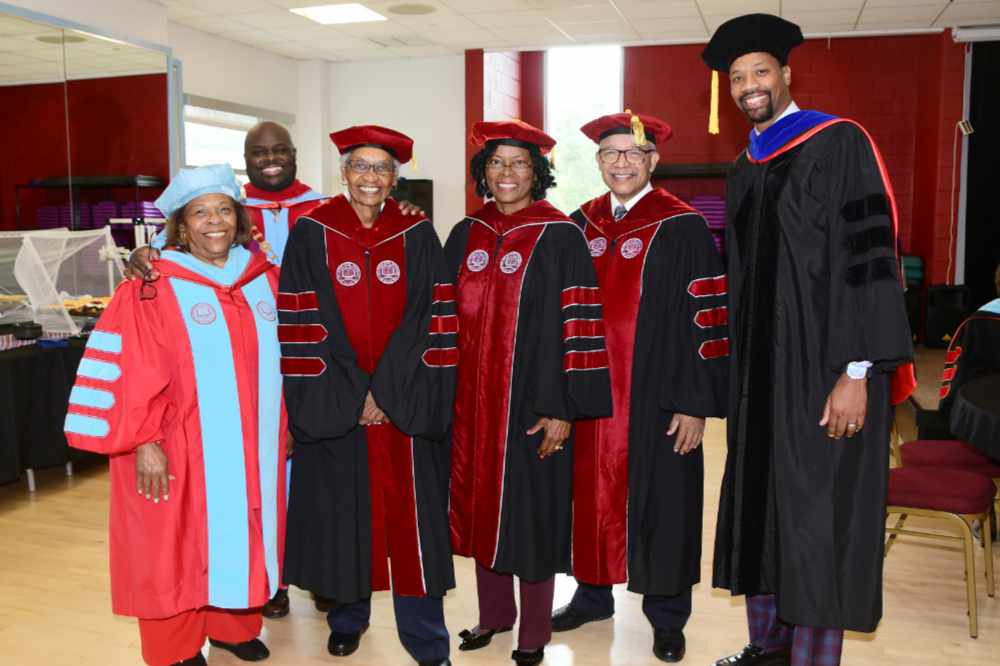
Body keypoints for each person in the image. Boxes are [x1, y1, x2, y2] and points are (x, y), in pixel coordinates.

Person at [701, 14, 915, 666]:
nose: (748, 86)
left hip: (824, 372)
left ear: (786, 74)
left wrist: (857, 371)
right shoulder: (745, 168)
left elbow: (869, 257)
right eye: (737, 78)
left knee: (817, 518)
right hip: (759, 380)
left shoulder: (838, 142)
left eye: (759, 71)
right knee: (765, 504)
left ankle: (814, 657)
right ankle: (768, 646)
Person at [64, 164, 286, 666]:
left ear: (239, 219)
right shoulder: (153, 285)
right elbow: (130, 369)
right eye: (200, 212)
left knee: (245, 526)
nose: (215, 221)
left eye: (225, 210)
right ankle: (176, 647)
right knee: (171, 545)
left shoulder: (261, 279)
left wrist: (284, 426)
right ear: (181, 225)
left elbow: (282, 363)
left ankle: (232, 625)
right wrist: (144, 441)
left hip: (254, 443)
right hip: (176, 443)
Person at [551, 112, 728, 663]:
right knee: (587, 496)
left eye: (633, 153)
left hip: (658, 399)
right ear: (598, 162)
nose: (621, 162)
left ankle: (667, 617)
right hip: (589, 397)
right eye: (611, 154)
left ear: (653, 161)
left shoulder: (682, 225)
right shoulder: (579, 224)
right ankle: (592, 593)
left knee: (666, 503)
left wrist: (695, 403)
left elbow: (708, 318)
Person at [277, 125, 456, 666]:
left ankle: (426, 639)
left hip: (401, 410)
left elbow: (433, 319)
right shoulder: (312, 231)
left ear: (395, 177)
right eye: (361, 166)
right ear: (344, 172)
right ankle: (347, 618)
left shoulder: (417, 234)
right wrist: (353, 393)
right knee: (342, 516)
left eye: (382, 168)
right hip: (337, 405)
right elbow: (305, 319)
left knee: (413, 525)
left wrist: (385, 392)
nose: (371, 177)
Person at [447, 120, 613, 666]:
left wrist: (561, 408)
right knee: (478, 511)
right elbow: (439, 320)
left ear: (538, 173)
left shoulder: (560, 235)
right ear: (483, 172)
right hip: (471, 409)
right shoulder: (466, 232)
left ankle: (533, 632)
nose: (507, 173)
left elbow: (581, 327)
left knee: (532, 516)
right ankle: (493, 616)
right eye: (496, 163)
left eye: (520, 163)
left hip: (532, 408)